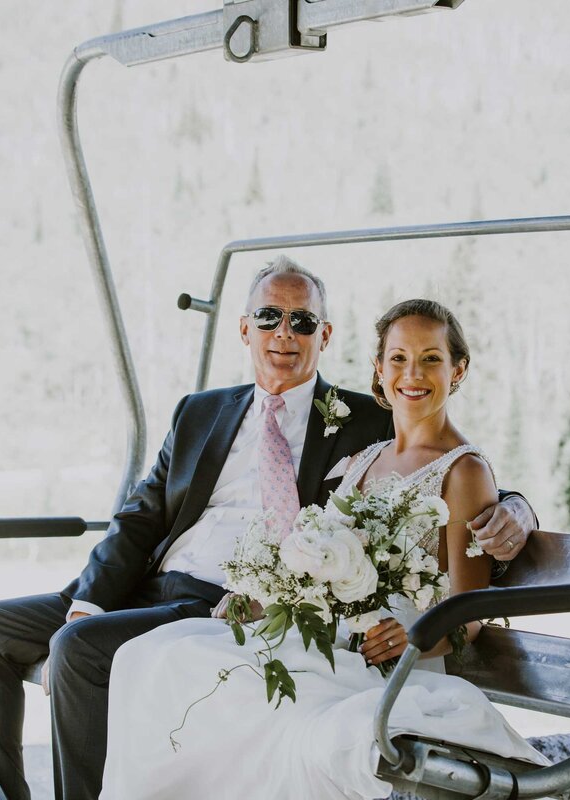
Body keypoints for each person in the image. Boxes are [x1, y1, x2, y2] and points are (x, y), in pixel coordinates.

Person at [0, 257, 537, 800]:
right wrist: (89, 600)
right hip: (143, 589)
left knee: (82, 654)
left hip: (223, 600)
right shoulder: (199, 412)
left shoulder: (366, 419)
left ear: (324, 337)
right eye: (269, 317)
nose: (285, 332)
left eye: (303, 321)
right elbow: (140, 516)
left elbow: (443, 468)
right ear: (244, 328)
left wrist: (518, 509)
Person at [100, 298, 547, 799]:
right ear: (379, 369)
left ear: (458, 369)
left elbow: (470, 612)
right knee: (155, 656)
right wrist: (262, 593)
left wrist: (419, 636)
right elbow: (320, 557)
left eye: (431, 358)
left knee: (259, 714)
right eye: (398, 358)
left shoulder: (463, 470)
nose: (412, 373)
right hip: (331, 639)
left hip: (392, 656)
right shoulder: (364, 460)